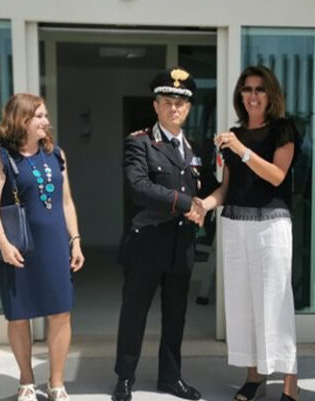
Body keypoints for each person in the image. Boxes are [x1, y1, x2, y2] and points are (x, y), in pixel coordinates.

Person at [199, 65, 300, 401]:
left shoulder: (284, 129)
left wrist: (241, 149)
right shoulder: (233, 134)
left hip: (271, 225)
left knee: (275, 304)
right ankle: (253, 377)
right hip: (235, 225)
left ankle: (289, 384)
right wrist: (203, 205)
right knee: (243, 305)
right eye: (247, 89)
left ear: (270, 94)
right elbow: (227, 189)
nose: (253, 95)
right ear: (240, 95)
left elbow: (276, 176)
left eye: (259, 89)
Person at [0, 93, 84, 401]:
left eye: (45, 115)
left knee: (60, 313)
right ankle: (26, 380)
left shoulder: (56, 154)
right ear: (21, 119)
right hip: (17, 248)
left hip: (54, 246)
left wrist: (75, 241)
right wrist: (3, 245)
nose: (46, 121)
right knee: (18, 316)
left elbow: (66, 202)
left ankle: (56, 384)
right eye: (39, 115)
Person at [112, 67, 206, 401]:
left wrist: (205, 204)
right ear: (156, 105)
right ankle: (125, 377)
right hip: (147, 242)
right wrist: (186, 203)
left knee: (176, 315)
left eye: (180, 104)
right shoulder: (140, 142)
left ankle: (170, 377)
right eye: (167, 102)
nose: (174, 109)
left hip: (181, 244)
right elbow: (139, 188)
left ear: (189, 108)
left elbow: (204, 190)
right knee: (135, 311)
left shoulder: (194, 150)